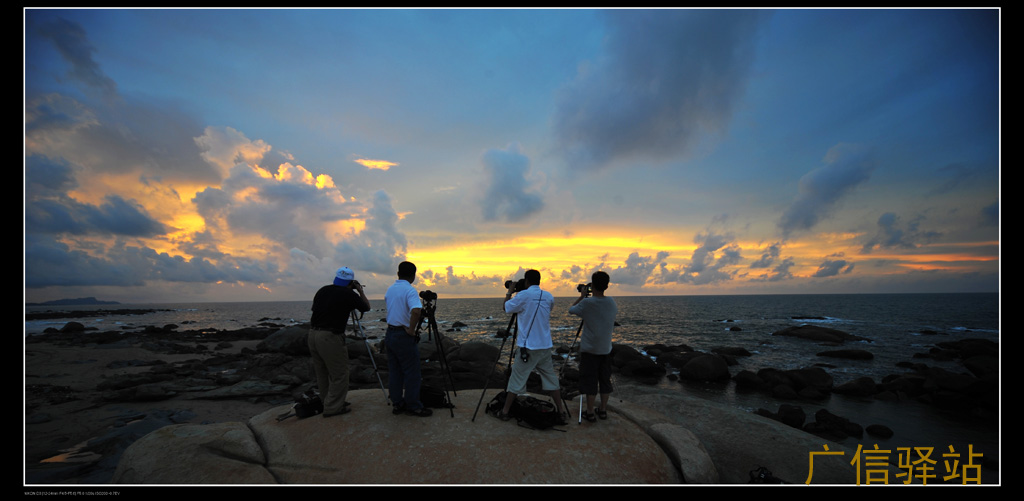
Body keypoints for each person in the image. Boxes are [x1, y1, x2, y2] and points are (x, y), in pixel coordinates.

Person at [497, 269, 567, 423]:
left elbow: (506, 307)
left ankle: (505, 411)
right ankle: (561, 411)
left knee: (516, 379)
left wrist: (509, 292)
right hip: (545, 346)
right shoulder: (548, 296)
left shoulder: (523, 295)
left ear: (527, 281)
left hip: (528, 348)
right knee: (550, 378)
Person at [308, 266, 371, 417]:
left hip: (313, 334)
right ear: (351, 282)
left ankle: (327, 402)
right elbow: (366, 307)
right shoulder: (348, 294)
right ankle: (334, 407)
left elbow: (315, 309)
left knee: (322, 372)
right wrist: (360, 291)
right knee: (340, 373)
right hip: (330, 336)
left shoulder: (323, 290)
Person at [384, 261, 431, 417]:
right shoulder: (410, 291)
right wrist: (411, 330)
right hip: (403, 336)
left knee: (395, 371)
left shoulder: (390, 290)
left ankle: (398, 403)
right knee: (412, 373)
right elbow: (416, 311)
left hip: (390, 334)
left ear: (398, 274)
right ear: (414, 276)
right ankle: (414, 406)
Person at [569, 271, 618, 422]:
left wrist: (582, 295)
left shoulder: (587, 303)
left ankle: (589, 412)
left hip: (590, 350)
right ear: (607, 286)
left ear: (592, 285)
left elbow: (571, 310)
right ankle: (602, 410)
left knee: (590, 381)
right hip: (605, 350)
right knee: (604, 380)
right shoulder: (611, 302)